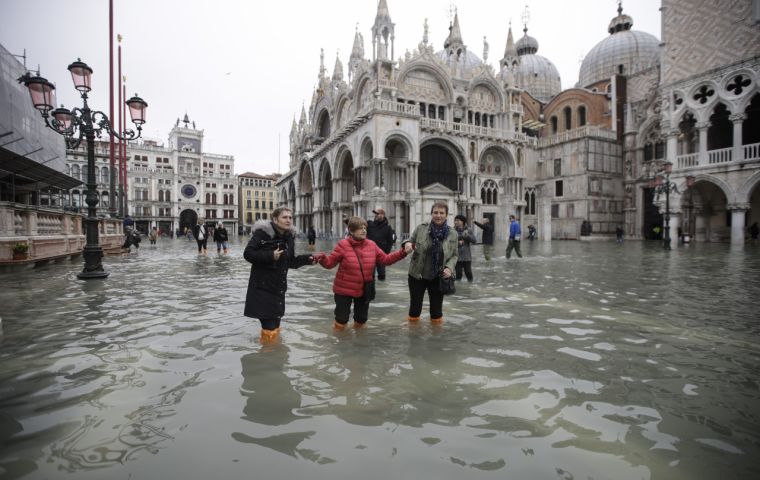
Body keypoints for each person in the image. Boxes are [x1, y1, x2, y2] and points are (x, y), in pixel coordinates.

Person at [315, 216, 407, 330]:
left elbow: (386, 259)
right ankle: (340, 344)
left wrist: (403, 252)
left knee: (361, 320)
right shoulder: (342, 245)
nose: (364, 230)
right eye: (360, 228)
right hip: (344, 290)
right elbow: (330, 263)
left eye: (365, 228)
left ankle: (359, 344)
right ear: (351, 230)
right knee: (341, 320)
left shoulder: (372, 245)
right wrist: (322, 258)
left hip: (364, 289)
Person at [244, 207, 316, 344]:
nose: (288, 220)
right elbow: (248, 254)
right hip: (262, 289)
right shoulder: (262, 234)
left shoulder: (289, 236)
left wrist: (309, 260)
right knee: (270, 328)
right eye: (285, 217)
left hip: (278, 289)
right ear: (275, 219)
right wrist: (270, 255)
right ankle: (269, 358)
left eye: (290, 217)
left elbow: (290, 261)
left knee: (275, 327)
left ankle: (275, 358)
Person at [403, 201, 458, 325]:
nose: (438, 215)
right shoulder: (421, 228)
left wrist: (449, 268)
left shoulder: (452, 233)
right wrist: (406, 244)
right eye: (435, 212)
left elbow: (454, 255)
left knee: (436, 312)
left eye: (441, 213)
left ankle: (436, 339)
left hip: (438, 277)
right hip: (417, 275)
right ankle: (413, 336)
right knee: (415, 309)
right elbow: (410, 240)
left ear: (446, 215)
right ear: (431, 213)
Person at [366, 207, 396, 281]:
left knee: (382, 275)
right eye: (375, 214)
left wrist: (386, 254)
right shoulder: (369, 224)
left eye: (377, 214)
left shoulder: (388, 228)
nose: (375, 215)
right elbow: (358, 225)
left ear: (383, 215)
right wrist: (348, 221)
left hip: (381, 255)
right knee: (370, 275)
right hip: (370, 255)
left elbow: (391, 241)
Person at [454, 214, 473, 282]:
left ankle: (470, 288)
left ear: (463, 222)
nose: (456, 222)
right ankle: (459, 290)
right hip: (457, 257)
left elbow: (474, 241)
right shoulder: (452, 231)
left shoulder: (469, 230)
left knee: (468, 273)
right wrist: (458, 243)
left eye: (458, 220)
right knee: (458, 274)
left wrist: (467, 236)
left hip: (467, 257)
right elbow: (449, 244)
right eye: (455, 220)